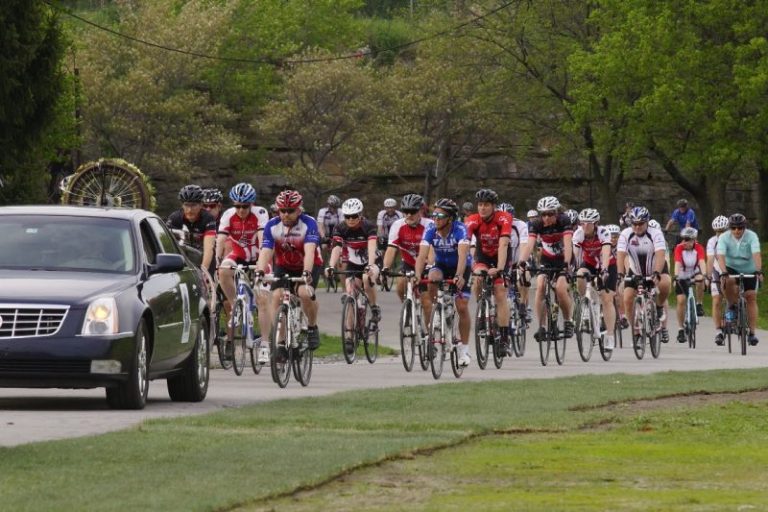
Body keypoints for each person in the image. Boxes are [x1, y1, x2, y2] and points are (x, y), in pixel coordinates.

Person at [255, 190, 323, 359]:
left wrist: (306, 273)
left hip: (309, 263)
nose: (286, 214)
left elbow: (309, 251)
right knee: (276, 296)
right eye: (282, 210)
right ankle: (281, 341)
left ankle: (313, 327)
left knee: (303, 293)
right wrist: (260, 270)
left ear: (299, 210)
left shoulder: (309, 223)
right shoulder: (272, 225)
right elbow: (266, 251)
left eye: (290, 210)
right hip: (284, 265)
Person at [414, 198, 472, 366]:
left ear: (450, 218)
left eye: (440, 215)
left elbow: (462, 255)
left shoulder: (461, 229)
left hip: (461, 267)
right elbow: (422, 255)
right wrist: (418, 275)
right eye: (434, 215)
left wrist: (460, 275)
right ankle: (436, 314)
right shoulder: (431, 229)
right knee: (432, 279)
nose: (436, 218)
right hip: (440, 266)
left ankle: (464, 351)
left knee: (461, 306)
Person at [216, 183, 270, 358]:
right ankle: (235, 305)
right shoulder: (228, 215)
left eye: (245, 206)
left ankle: (264, 343)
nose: (240, 210)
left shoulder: (260, 213)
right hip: (239, 255)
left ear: (251, 204)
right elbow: (221, 239)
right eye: (237, 206)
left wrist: (260, 267)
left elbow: (263, 241)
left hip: (259, 257)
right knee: (223, 270)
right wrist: (217, 259)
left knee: (262, 300)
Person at [325, 198, 380, 354]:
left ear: (360, 215)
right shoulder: (341, 228)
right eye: (347, 216)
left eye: (354, 216)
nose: (350, 219)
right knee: (350, 293)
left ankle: (374, 308)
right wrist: (330, 265)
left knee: (366, 279)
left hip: (371, 260)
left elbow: (371, 246)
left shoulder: (368, 226)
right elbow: (336, 247)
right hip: (353, 263)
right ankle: (349, 335)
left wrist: (370, 265)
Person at [464, 188, 514, 353]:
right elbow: (464, 243)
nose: (482, 208)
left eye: (486, 205)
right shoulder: (472, 220)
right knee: (478, 278)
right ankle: (482, 309)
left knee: (500, 292)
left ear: (494, 206)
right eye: (480, 205)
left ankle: (505, 338)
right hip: (483, 257)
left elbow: (504, 244)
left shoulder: (503, 218)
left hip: (501, 257)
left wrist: (499, 268)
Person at [520, 196, 574, 341]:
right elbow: (530, 245)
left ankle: (568, 321)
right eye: (543, 214)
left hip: (564, 258)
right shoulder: (537, 224)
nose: (546, 217)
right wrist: (522, 262)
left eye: (550, 214)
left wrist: (567, 263)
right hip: (547, 259)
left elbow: (568, 244)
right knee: (540, 285)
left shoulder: (564, 220)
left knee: (561, 289)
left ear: (556, 212)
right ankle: (542, 326)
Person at [616, 206, 671, 343]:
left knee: (665, 283)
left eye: (641, 224)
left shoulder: (656, 233)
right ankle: (636, 332)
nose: (637, 227)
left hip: (655, 267)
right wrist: (620, 274)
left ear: (647, 222)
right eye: (634, 224)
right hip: (636, 270)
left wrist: (657, 272)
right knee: (627, 297)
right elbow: (621, 255)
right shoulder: (625, 234)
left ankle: (658, 306)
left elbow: (660, 254)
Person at [382, 194, 433, 315]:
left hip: (426, 264)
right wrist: (385, 268)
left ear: (421, 211)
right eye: (406, 211)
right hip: (408, 262)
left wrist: (430, 266)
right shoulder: (397, 225)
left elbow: (432, 248)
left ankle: (427, 333)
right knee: (400, 285)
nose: (409, 215)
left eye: (412, 211)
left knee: (426, 302)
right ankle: (409, 307)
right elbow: (391, 248)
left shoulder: (429, 224)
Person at [572, 208, 616, 351]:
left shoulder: (603, 232)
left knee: (607, 298)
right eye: (582, 223)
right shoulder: (578, 234)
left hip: (607, 263)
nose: (585, 226)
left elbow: (605, 252)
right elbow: (576, 255)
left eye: (588, 223)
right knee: (580, 274)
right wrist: (571, 269)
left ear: (596, 223)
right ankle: (584, 303)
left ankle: (609, 336)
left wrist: (604, 270)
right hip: (589, 263)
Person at [717, 213, 763, 346]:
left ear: (744, 228)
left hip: (749, 268)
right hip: (731, 267)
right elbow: (721, 256)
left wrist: (758, 270)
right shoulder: (724, 237)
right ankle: (731, 305)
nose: (737, 231)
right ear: (729, 228)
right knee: (727, 281)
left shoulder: (752, 236)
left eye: (740, 228)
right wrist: (724, 271)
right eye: (733, 228)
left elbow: (756, 254)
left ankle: (752, 333)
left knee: (751, 297)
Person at [166, 184, 216, 274]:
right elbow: (166, 244)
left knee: (207, 283)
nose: (189, 209)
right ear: (182, 205)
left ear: (201, 204)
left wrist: (204, 272)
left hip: (203, 256)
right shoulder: (174, 218)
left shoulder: (208, 218)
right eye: (186, 205)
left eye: (193, 205)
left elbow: (209, 248)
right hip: (184, 257)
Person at [673, 227, 707, 343]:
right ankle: (681, 329)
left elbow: (702, 262)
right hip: (682, 273)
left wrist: (705, 274)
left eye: (688, 240)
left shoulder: (699, 248)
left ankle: (699, 304)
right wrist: (676, 276)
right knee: (681, 300)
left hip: (694, 271)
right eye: (684, 239)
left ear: (694, 240)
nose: (685, 242)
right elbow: (677, 263)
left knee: (700, 279)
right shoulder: (679, 248)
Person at [707, 215, 729, 345]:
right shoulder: (712, 241)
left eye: (723, 231)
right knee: (716, 300)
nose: (720, 234)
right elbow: (710, 259)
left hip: (731, 269)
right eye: (718, 231)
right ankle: (719, 331)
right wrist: (708, 276)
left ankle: (734, 308)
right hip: (717, 270)